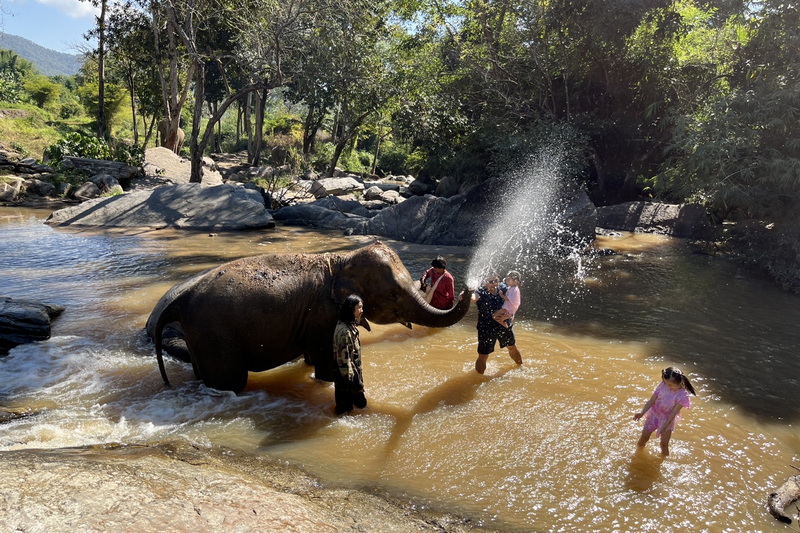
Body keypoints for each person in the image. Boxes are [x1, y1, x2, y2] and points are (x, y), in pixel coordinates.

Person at [633, 367, 697, 456]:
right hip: (654, 415)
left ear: (679, 383)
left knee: (664, 444)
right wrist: (642, 413)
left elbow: (673, 413)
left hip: (667, 420)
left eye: (670, 385)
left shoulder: (683, 396)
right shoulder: (663, 385)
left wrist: (664, 426)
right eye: (666, 383)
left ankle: (662, 461)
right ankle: (638, 455)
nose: (667, 386)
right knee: (643, 438)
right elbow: (651, 401)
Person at [471, 272, 523, 374]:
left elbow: (514, 299)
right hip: (486, 327)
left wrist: (511, 314)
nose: (495, 284)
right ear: (485, 282)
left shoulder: (503, 287)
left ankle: (520, 367)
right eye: (491, 282)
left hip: (503, 323)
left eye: (496, 281)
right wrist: (466, 295)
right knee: (483, 355)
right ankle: (478, 379)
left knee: (512, 347)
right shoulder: (480, 291)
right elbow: (474, 297)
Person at [332, 294, 368, 415]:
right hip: (346, 379)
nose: (361, 311)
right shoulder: (345, 332)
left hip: (352, 375)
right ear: (351, 309)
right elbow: (344, 362)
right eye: (359, 307)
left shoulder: (349, 325)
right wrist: (354, 385)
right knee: (344, 412)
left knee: (361, 406)